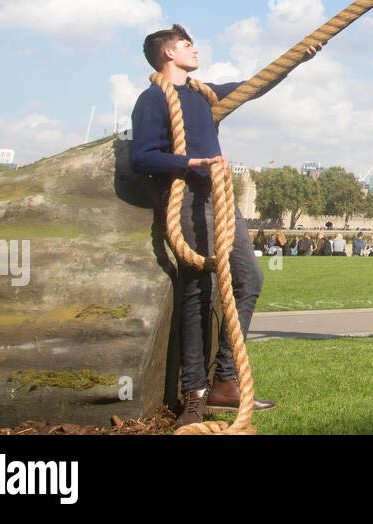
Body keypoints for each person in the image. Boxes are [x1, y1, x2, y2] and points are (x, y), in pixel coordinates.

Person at [129, 24, 320, 427]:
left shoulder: (205, 94)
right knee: (202, 288)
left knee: (249, 278)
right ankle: (194, 394)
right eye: (186, 45)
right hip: (188, 199)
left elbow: (255, 85)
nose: (194, 49)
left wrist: (296, 59)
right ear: (167, 54)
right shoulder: (151, 100)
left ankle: (225, 381)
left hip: (220, 200)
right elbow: (141, 157)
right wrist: (191, 163)